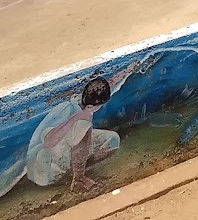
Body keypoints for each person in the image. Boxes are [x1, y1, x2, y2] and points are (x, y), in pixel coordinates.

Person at [21, 54, 161, 193]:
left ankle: (75, 168)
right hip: (44, 169)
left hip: (60, 151)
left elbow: (111, 83)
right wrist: (76, 118)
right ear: (97, 104)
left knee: (112, 140)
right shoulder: (70, 111)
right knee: (84, 128)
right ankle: (78, 179)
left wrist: (130, 68)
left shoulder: (83, 99)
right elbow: (48, 142)